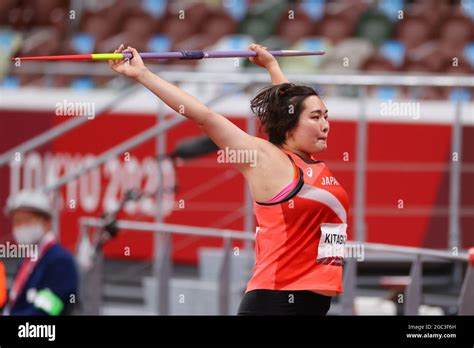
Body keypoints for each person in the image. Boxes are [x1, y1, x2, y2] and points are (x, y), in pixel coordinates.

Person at [109, 43, 349, 315]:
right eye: (316, 117)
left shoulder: (307, 162)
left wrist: (272, 67)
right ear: (291, 125)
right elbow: (204, 116)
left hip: (311, 305)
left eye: (326, 116)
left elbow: (290, 106)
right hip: (277, 302)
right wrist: (143, 74)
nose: (325, 125)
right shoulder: (269, 162)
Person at [3, 190, 79, 315]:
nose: (21, 226)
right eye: (17, 222)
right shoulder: (29, 260)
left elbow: (47, 311)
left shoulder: (60, 260)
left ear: (47, 222)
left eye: (27, 220)